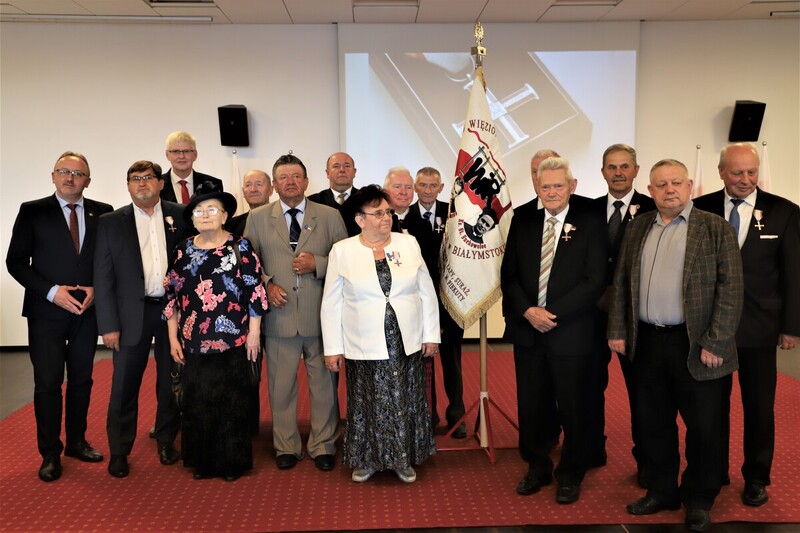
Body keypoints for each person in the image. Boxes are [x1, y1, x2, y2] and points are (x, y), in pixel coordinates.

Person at [608, 159, 743, 532]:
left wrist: (716, 341)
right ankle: (662, 489)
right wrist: (618, 329)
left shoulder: (714, 227)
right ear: (649, 191)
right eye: (661, 184)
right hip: (648, 342)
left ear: (689, 185)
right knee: (653, 422)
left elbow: (730, 289)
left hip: (698, 345)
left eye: (676, 182)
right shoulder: (637, 227)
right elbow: (621, 282)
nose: (669, 189)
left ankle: (699, 498)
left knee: (704, 427)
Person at [694, 142, 800, 506]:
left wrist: (792, 326)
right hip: (711, 330)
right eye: (737, 172)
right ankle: (715, 469)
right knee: (711, 408)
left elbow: (793, 273)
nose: (745, 180)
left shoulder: (785, 212)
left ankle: (756, 477)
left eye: (751, 172)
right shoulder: (699, 207)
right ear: (721, 171)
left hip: (760, 327)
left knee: (759, 408)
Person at [501, 157, 606, 504]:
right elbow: (510, 276)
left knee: (575, 406)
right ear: (537, 187)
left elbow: (595, 281)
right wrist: (529, 311)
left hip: (572, 332)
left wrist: (552, 313)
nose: (551, 192)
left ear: (572, 186)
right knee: (532, 405)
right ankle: (537, 466)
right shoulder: (524, 219)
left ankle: (570, 473)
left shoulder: (590, 220)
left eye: (558, 186)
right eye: (545, 186)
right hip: (530, 331)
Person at [321, 185, 440, 483]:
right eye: (378, 213)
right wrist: (332, 347)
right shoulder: (343, 251)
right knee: (367, 401)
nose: (385, 218)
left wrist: (431, 335)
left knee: (404, 399)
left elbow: (425, 290)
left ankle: (403, 459)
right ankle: (368, 459)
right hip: (363, 340)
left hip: (404, 338)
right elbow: (332, 302)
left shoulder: (408, 243)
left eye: (387, 212)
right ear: (360, 219)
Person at [6, 151, 113, 482]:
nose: (70, 177)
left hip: (87, 311)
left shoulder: (103, 213)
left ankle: (77, 442)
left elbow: (109, 259)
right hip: (46, 313)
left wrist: (98, 285)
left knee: (82, 379)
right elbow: (16, 262)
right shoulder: (32, 211)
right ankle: (50, 452)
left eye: (78, 173)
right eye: (63, 171)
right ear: (53, 176)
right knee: (49, 383)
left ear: (88, 181)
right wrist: (53, 292)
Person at [244, 153, 347, 472]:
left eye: (296, 176)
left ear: (306, 181)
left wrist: (320, 264)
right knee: (281, 385)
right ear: (274, 185)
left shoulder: (329, 216)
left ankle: (323, 444)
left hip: (321, 316)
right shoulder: (259, 218)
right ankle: (285, 445)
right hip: (279, 316)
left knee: (324, 385)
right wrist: (267, 285)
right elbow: (248, 265)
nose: (290, 182)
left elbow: (348, 261)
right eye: (284, 177)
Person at [163, 182, 268, 482]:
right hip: (193, 340)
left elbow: (256, 292)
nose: (205, 215)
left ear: (224, 216)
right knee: (198, 400)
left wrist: (254, 333)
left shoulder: (240, 247)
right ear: (192, 218)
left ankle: (232, 462)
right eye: (199, 211)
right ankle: (203, 462)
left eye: (212, 210)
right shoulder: (183, 250)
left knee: (231, 400)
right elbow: (172, 296)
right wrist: (172, 337)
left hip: (233, 338)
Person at [93, 161, 187, 478]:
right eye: (135, 179)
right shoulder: (110, 222)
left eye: (148, 178)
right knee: (123, 385)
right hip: (131, 314)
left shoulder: (180, 214)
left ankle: (165, 439)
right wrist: (108, 325)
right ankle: (119, 451)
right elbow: (103, 277)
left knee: (171, 380)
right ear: (128, 186)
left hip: (172, 312)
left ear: (161, 184)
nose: (142, 184)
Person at [587, 144, 656, 484]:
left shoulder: (653, 209)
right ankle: (591, 448)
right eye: (611, 167)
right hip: (591, 315)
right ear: (602, 172)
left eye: (624, 166)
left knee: (641, 392)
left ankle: (645, 458)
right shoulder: (587, 211)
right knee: (588, 387)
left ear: (636, 170)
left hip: (633, 315)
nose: (618, 172)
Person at [403, 167, 466, 438]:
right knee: (422, 363)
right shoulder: (405, 219)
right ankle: (428, 414)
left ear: (441, 188)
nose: (428, 190)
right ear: (416, 187)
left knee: (452, 363)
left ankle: (457, 415)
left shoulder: (454, 214)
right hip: (419, 302)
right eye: (423, 185)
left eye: (433, 186)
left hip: (451, 301)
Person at [159, 131, 222, 204]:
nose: (181, 156)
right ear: (167, 155)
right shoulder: (157, 185)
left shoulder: (213, 184)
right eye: (176, 151)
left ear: (195, 155)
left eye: (186, 151)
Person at [308, 152, 361, 236]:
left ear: (354, 172)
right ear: (327, 173)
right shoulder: (312, 202)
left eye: (347, 166)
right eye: (336, 166)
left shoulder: (367, 200)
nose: (342, 170)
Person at [227, 168, 273, 237]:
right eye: (248, 185)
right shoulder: (231, 225)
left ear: (271, 190)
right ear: (243, 192)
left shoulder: (285, 220)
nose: (253, 189)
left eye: (259, 184)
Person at [384, 166, 415, 232]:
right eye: (397, 187)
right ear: (385, 191)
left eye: (408, 187)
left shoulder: (424, 225)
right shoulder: (376, 223)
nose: (404, 192)